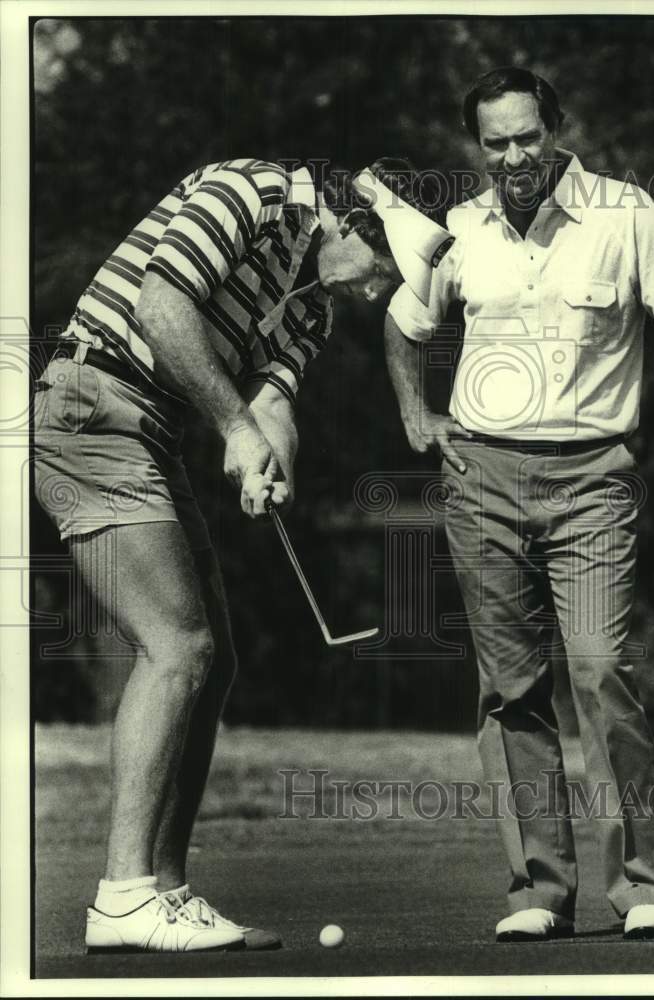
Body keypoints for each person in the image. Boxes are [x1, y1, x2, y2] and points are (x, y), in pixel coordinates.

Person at [34, 155, 446, 953]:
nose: (377, 295)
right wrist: (233, 429)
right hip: (89, 406)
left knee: (209, 662)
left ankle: (163, 891)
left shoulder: (313, 312)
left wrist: (269, 463)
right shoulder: (251, 192)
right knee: (178, 645)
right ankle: (122, 897)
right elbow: (160, 306)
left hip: (147, 433)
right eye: (384, 272)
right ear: (357, 227)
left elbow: (272, 402)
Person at [384, 67, 654, 941]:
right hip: (480, 477)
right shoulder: (459, 229)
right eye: (495, 142)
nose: (513, 156)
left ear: (556, 127)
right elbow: (402, 324)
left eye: (526, 136)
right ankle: (540, 893)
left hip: (593, 479)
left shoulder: (626, 213)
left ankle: (644, 884)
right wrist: (416, 415)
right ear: (481, 145)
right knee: (510, 690)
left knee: (599, 671)